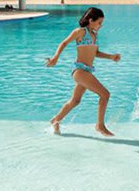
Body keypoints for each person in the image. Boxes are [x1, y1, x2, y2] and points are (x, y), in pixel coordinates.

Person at [46, 7, 121, 136]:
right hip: (79, 71)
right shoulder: (80, 32)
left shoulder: (94, 35)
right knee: (105, 94)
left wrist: (111, 57)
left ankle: (55, 120)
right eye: (99, 23)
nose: (101, 26)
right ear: (91, 20)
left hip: (87, 71)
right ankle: (100, 126)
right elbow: (64, 43)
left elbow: (95, 53)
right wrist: (55, 57)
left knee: (75, 101)